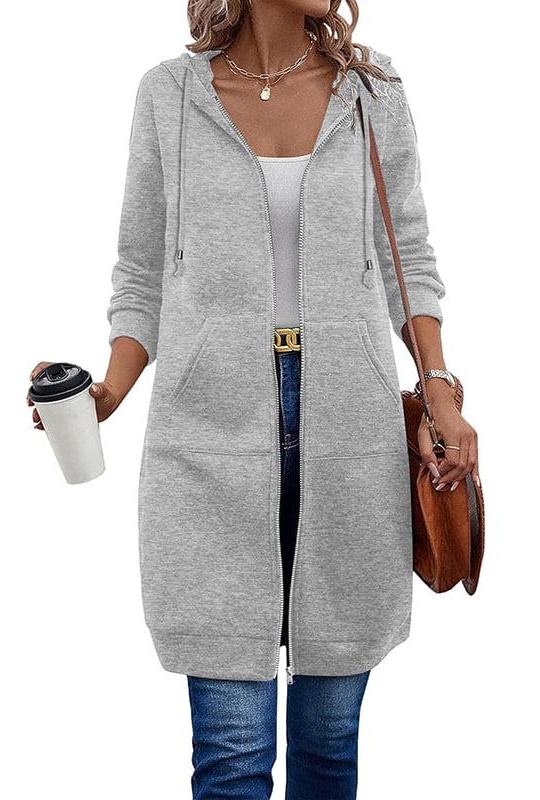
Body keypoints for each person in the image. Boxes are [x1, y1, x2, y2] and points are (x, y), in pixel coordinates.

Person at [28, 1, 480, 796]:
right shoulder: (169, 96)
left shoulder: (372, 91)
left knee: (329, 745)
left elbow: (407, 252)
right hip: (206, 431)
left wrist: (439, 389)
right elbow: (140, 273)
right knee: (231, 755)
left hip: (353, 427)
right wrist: (107, 392)